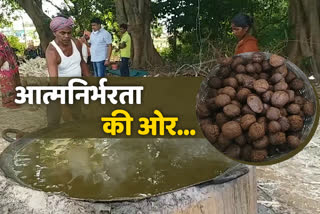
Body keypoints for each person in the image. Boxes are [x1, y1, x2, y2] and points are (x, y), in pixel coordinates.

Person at [46, 15, 90, 127]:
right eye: (62, 33)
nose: (66, 36)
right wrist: (63, 107)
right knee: (54, 123)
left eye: (69, 33)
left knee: (77, 118)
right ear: (54, 33)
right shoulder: (52, 51)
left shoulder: (76, 43)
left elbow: (82, 63)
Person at [0, 32, 21, 109]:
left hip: (5, 68)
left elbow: (1, 57)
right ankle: (17, 101)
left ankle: (10, 103)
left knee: (8, 85)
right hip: (11, 66)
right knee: (14, 83)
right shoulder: (3, 38)